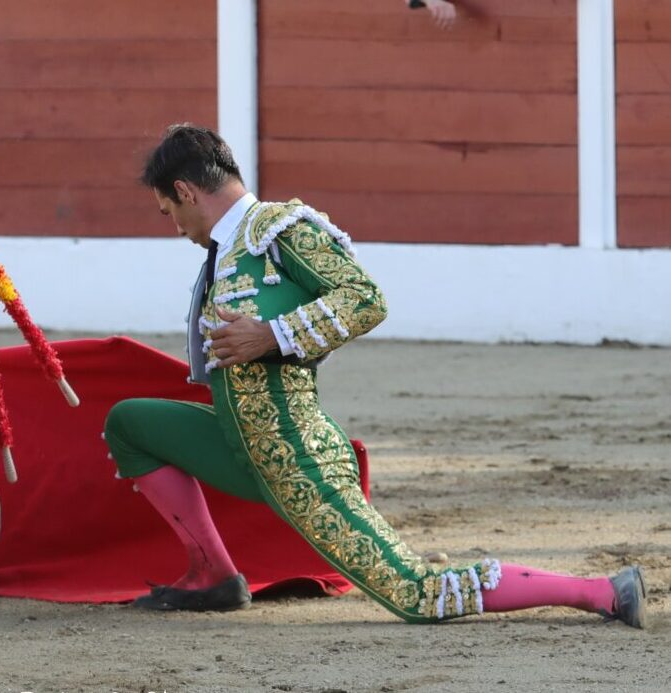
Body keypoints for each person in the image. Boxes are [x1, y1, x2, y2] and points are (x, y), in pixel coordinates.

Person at [102, 123, 647, 627]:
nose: (174, 227)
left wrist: (270, 336)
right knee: (130, 423)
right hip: (237, 439)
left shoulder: (278, 229)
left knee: (418, 592)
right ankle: (213, 578)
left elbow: (365, 297)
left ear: (187, 190)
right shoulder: (230, 250)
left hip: (297, 457)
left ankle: (601, 591)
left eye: (168, 211)